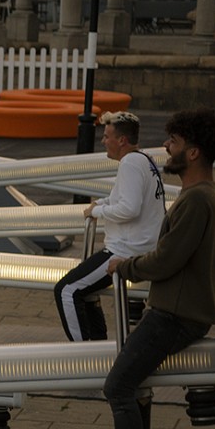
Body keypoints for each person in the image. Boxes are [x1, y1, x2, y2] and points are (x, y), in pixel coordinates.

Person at [90, 109, 215, 429]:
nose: (166, 147)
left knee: (118, 386)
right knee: (135, 380)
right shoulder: (203, 197)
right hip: (181, 310)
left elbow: (166, 262)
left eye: (175, 142)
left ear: (194, 152)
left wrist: (124, 266)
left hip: (174, 314)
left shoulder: (198, 200)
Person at [56, 111, 165, 344]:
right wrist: (102, 203)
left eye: (107, 136)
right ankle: (98, 349)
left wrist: (97, 212)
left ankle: (82, 356)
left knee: (66, 290)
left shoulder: (130, 164)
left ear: (122, 140)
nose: (103, 141)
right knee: (85, 293)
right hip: (139, 247)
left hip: (126, 251)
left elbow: (130, 208)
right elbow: (125, 198)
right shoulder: (143, 159)